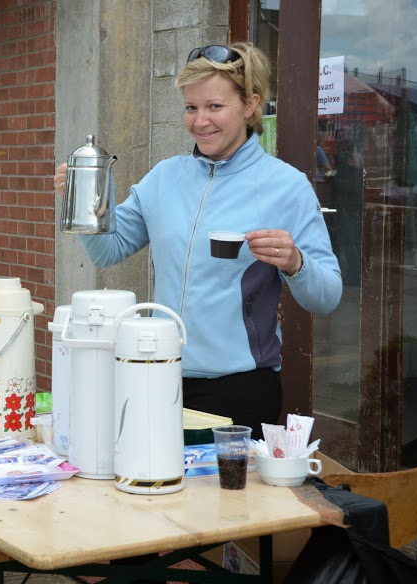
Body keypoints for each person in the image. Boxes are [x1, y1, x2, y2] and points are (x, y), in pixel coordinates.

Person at [54, 43, 342, 438]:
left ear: (250, 105)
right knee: (151, 495)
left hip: (240, 391)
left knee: (221, 501)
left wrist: (296, 263)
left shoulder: (286, 186)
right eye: (191, 108)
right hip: (156, 376)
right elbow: (108, 251)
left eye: (214, 107)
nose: (200, 121)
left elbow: (326, 297)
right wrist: (89, 202)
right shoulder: (165, 177)